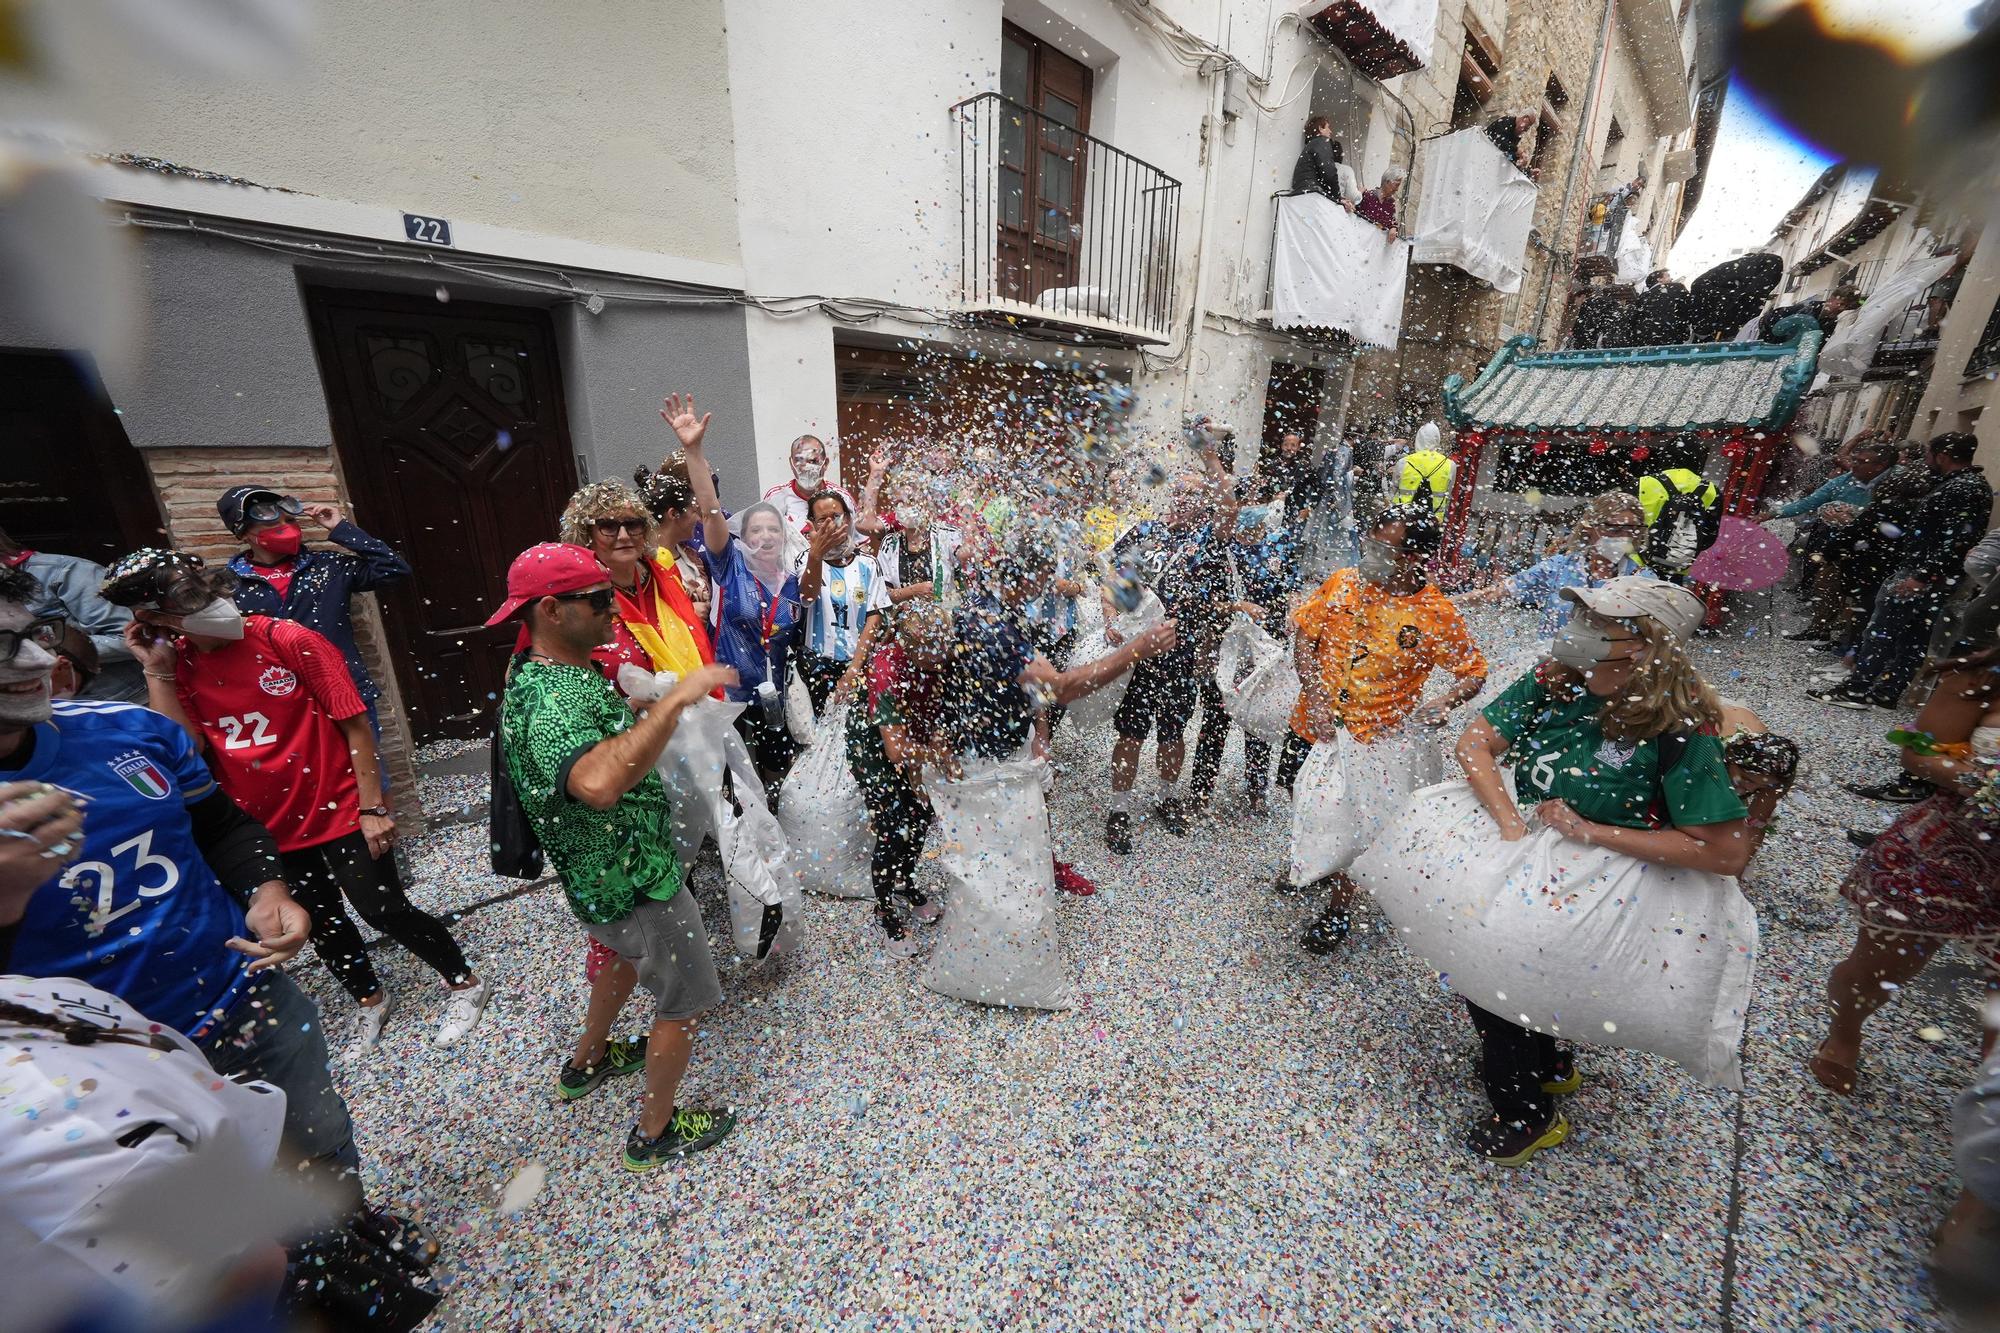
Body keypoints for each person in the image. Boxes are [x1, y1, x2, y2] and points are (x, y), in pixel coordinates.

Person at [0, 564, 432, 1261]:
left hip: (242, 991)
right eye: (3, 647)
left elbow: (222, 825)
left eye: (34, 636)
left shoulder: (127, 731)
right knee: (204, 1212)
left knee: (318, 1130)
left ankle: (353, 1231)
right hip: (106, 1066)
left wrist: (266, 888)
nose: (40, 661)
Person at [102, 549, 488, 1050]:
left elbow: (355, 725)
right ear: (154, 621)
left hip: (341, 807)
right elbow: (185, 750)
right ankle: (369, 998)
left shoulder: (286, 638)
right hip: (265, 825)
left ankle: (463, 980)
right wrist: (159, 672)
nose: (214, 604)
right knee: (319, 921)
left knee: (382, 907)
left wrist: (372, 807)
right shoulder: (182, 666)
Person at [1448, 579, 1751, 1163]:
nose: (1576, 631)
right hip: (1531, 857)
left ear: (1643, 644)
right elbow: (1475, 744)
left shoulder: (1680, 727)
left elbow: (1722, 851)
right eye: (1580, 615)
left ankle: (1525, 1114)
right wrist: (1512, 827)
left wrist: (1591, 833)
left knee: (1494, 980)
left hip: (1606, 886)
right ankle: (1549, 1058)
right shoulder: (1552, 681)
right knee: (1504, 965)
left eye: (1597, 622)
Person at [491, 541, 740, 1167]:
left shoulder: (537, 674)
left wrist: (630, 708)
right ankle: (655, 1133)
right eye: (600, 600)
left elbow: (582, 747)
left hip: (596, 880)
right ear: (552, 610)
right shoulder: (557, 700)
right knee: (686, 994)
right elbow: (598, 783)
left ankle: (587, 1061)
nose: (613, 611)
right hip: (637, 879)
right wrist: (677, 700)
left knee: (626, 960)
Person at [1286, 505, 1488, 953]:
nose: (1370, 555)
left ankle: (1339, 906)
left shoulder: (1434, 613)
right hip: (1310, 724)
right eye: (1370, 543)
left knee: (1351, 823)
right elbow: (1305, 633)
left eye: (1383, 548)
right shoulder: (1343, 583)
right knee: (1298, 793)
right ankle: (1312, 861)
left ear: (1415, 557)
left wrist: (1444, 701)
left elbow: (1473, 672)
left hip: (1370, 742)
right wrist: (1317, 695)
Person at [1810, 641, 2000, 1095]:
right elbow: (1917, 754)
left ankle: (1988, 1100)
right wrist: (1982, 782)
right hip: (1947, 852)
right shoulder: (1980, 679)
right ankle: (1845, 1031)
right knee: (1874, 975)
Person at [1103, 475, 1236, 853]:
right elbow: (1115, 584)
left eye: (1192, 494)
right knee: (1130, 733)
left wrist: (1212, 458)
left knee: (1173, 732)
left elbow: (1230, 508)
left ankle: (1165, 798)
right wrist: (1112, 621)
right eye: (1178, 491)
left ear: (1205, 502)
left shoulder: (1209, 540)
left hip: (1182, 655)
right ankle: (1119, 810)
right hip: (1140, 654)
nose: (1181, 499)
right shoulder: (1146, 531)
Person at [1812, 432, 1991, 710]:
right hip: (1931, 572)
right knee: (1912, 635)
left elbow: (1958, 539)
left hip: (1922, 573)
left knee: (1884, 631)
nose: (1928, 460)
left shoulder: (1963, 488)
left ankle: (1858, 690)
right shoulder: (1962, 485)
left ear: (1941, 455)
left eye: (1931, 454)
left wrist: (1922, 576)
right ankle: (1885, 691)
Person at [218, 487, 412, 727]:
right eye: (272, 522)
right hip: (279, 701)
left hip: (346, 693)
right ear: (243, 533)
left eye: (290, 519)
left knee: (367, 765)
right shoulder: (227, 586)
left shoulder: (329, 567)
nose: (285, 527)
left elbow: (393, 570)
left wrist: (340, 528)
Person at [846, 601, 955, 956]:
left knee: (921, 815)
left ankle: (904, 882)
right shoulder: (885, 670)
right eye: (931, 649)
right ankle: (885, 910)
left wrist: (923, 772)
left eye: (944, 645)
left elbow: (934, 712)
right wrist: (939, 756)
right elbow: (894, 750)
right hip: (873, 747)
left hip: (912, 740)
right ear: (908, 645)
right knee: (893, 825)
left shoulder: (938, 657)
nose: (940, 655)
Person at [1196, 479, 1304, 816]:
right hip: (1228, 645)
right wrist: (1237, 607)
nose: (1258, 509)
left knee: (1260, 715)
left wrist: (1293, 612)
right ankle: (1201, 791)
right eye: (1250, 500)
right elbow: (1205, 602)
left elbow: (1293, 585)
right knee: (1215, 720)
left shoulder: (1279, 543)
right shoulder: (1222, 549)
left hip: (1268, 647)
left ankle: (1257, 790)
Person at [698, 453, 804, 783]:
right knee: (737, 776)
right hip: (730, 694)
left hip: (774, 697)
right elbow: (710, 516)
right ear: (743, 536)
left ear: (783, 537)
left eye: (774, 529)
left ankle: (774, 827)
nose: (766, 536)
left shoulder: (792, 582)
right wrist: (695, 454)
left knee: (777, 772)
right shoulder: (730, 566)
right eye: (756, 529)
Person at [1464, 492, 1649, 639]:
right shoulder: (1560, 568)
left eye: (1632, 530)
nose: (1623, 537)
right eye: (1614, 529)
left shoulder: (1642, 580)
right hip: (1550, 669)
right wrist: (1440, 604)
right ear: (1590, 527)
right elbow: (1496, 593)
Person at [0, 528, 142, 700]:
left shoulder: (67, 571)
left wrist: (39, 648)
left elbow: (126, 639)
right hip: (41, 710)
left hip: (117, 699)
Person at [794, 490, 892, 716]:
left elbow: (873, 619)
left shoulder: (868, 564)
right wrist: (816, 555)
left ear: (847, 519)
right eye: (822, 520)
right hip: (816, 668)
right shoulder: (804, 559)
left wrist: (853, 671)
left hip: (855, 665)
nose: (830, 524)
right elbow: (807, 597)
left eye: (836, 516)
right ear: (812, 525)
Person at [761, 433, 855, 553]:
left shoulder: (843, 498)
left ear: (825, 463)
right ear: (791, 463)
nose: (806, 467)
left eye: (813, 461)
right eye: (799, 461)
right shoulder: (775, 498)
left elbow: (859, 543)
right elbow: (764, 545)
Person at [1637, 466, 1721, 582]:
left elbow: (1623, 524)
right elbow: (1708, 537)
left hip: (1638, 563)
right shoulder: (1712, 491)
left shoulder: (1645, 482)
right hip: (1676, 567)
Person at [1759, 284, 1859, 342]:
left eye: (1846, 307)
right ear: (1831, 298)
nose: (1842, 308)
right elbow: (1773, 324)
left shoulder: (1831, 322)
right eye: (1840, 304)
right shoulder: (1808, 308)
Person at [1394, 422, 1454, 516]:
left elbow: (1393, 490)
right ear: (1437, 439)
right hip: (1433, 521)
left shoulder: (1404, 462)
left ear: (1418, 439)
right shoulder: (1449, 465)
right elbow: (1449, 495)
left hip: (1402, 518)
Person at [1290, 115, 1347, 204]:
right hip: (1312, 195)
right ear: (1320, 128)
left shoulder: (1309, 146)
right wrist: (1337, 197)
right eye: (1328, 127)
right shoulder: (1322, 141)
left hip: (1300, 195)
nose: (1330, 131)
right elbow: (1329, 173)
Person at [1356, 164, 1404, 240]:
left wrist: (1393, 228)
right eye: (1396, 185)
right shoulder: (1367, 196)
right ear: (1387, 182)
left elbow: (1392, 222)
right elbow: (1353, 216)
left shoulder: (1391, 204)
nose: (1397, 189)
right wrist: (1356, 196)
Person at [1484, 110, 1538, 175]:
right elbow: (1500, 142)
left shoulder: (1516, 135)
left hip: (1489, 164)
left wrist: (1522, 166)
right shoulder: (1505, 122)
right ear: (1525, 119)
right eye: (1526, 127)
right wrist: (1517, 150)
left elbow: (1508, 156)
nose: (1525, 130)